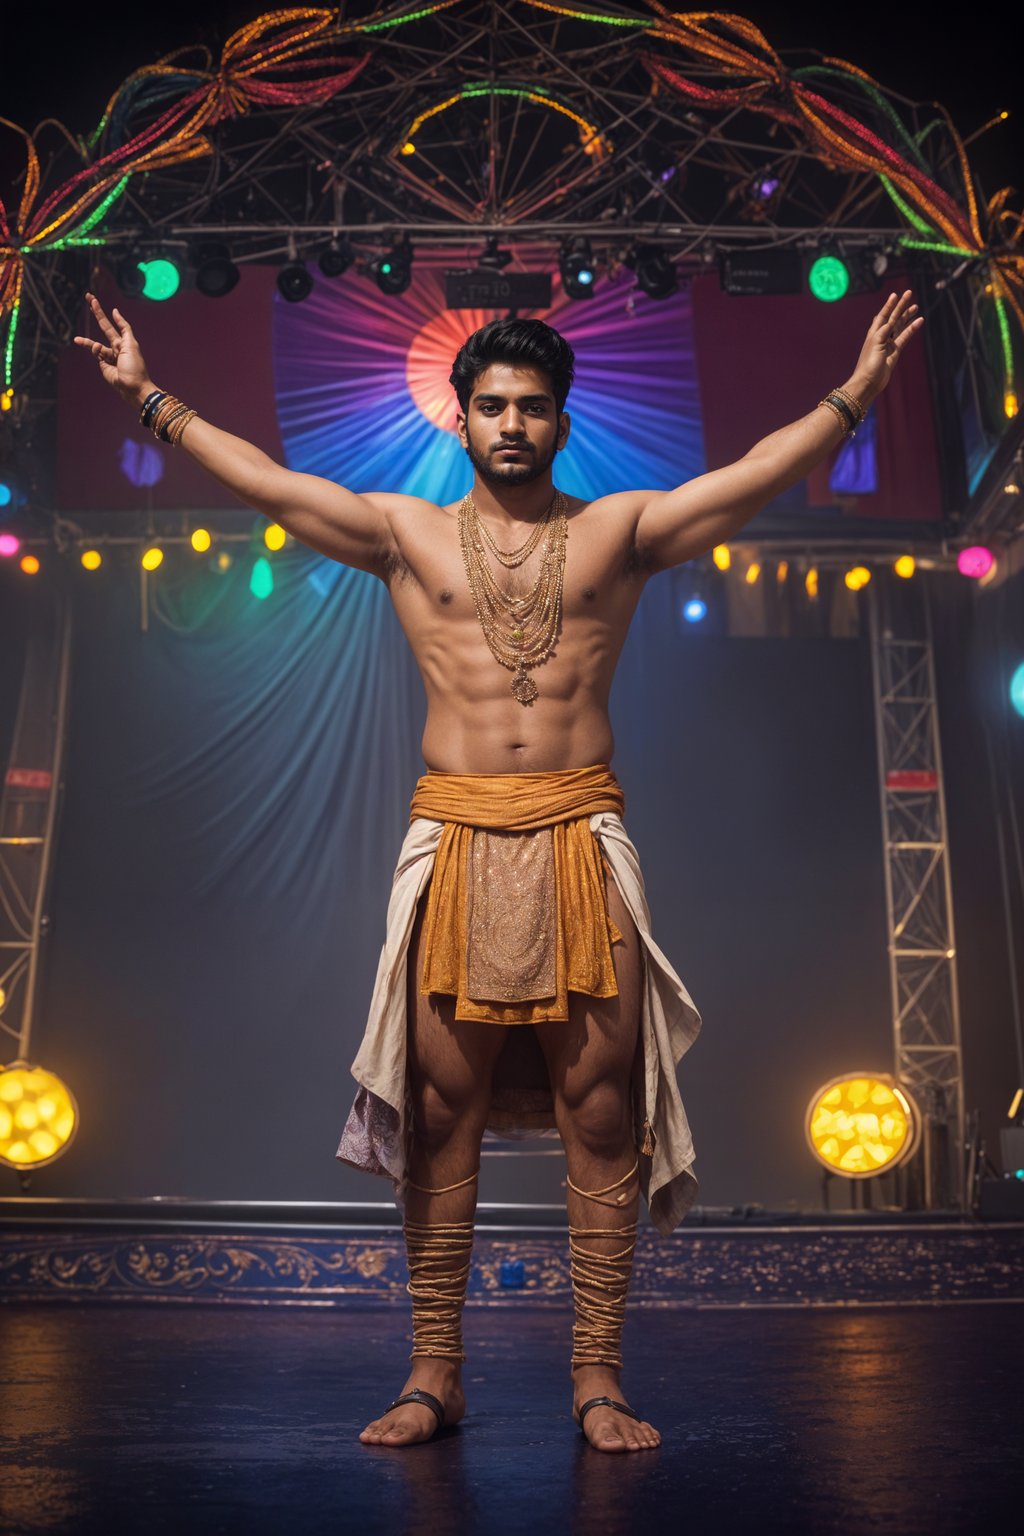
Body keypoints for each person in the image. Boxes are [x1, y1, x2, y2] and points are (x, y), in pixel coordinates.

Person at [75, 284, 922, 1453]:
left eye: (531, 405)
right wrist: (151, 401)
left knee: (603, 1106)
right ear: (457, 421)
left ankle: (597, 1378)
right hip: (457, 836)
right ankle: (434, 1375)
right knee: (436, 1109)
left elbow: (752, 476)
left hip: (578, 829)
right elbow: (267, 481)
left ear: (563, 422)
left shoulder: (618, 530)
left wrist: (854, 397)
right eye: (490, 405)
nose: (511, 423)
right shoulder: (402, 534)